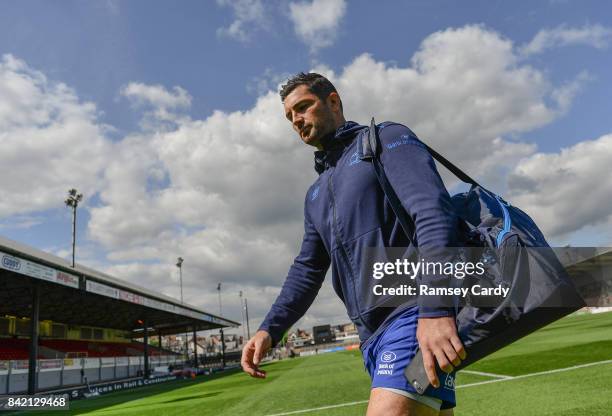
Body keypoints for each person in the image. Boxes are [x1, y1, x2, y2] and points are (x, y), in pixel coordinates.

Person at [241, 73, 466, 416]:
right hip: (371, 337)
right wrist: (269, 329)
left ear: (333, 101)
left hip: (411, 315)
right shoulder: (315, 194)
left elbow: (434, 213)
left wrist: (435, 309)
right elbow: (308, 268)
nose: (297, 120)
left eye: (303, 107)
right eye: (290, 117)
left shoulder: (386, 139)